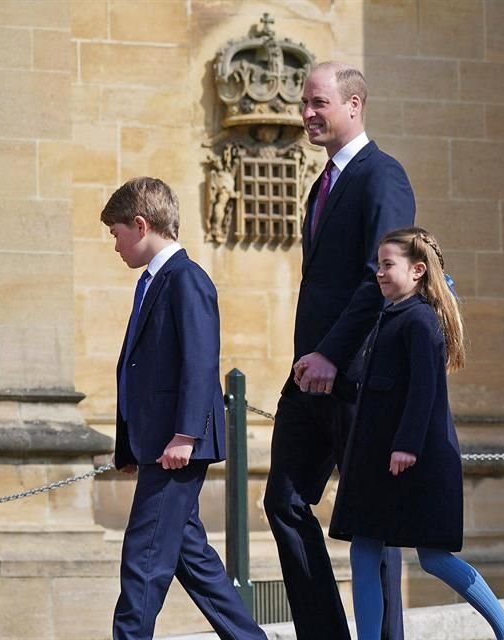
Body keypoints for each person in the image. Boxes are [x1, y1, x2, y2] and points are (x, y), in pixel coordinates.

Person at [263, 61, 415, 640]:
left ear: (354, 105)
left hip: (359, 376)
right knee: (284, 501)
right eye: (305, 104)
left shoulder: (383, 176)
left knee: (372, 521)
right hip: (312, 377)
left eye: (318, 103)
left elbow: (380, 279)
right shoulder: (321, 183)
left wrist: (331, 353)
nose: (306, 114)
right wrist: (312, 358)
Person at [101, 177, 266, 640]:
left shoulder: (186, 279)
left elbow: (199, 360)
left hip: (177, 444)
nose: (114, 246)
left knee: (142, 560)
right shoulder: (153, 282)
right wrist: (131, 445)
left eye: (116, 234)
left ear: (140, 224)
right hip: (158, 443)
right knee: (193, 561)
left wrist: (186, 435)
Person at [329, 227, 504, 640]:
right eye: (378, 264)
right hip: (379, 462)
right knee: (364, 550)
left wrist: (407, 445)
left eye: (388, 264)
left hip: (413, 462)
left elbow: (426, 388)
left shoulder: (420, 320)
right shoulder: (390, 316)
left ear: (417, 270)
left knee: (433, 558)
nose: (379, 272)